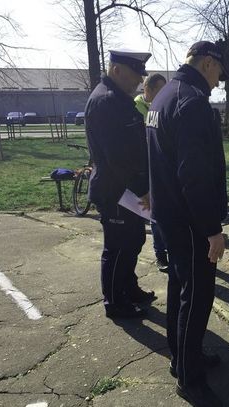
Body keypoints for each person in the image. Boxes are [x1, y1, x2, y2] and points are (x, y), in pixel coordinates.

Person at [146, 40, 228, 407]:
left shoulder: (164, 96)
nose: (218, 81)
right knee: (196, 297)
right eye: (218, 73)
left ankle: (181, 358)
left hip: (168, 214)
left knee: (180, 287)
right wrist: (212, 229)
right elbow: (193, 175)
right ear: (208, 64)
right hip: (190, 220)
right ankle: (189, 379)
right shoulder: (192, 101)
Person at [84, 49, 156, 319]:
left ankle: (128, 287)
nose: (139, 80)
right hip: (115, 190)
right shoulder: (106, 101)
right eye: (135, 74)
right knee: (117, 248)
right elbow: (118, 157)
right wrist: (143, 189)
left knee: (133, 240)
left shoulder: (117, 99)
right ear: (117, 70)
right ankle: (114, 302)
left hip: (125, 190)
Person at [134, 73, 170, 271]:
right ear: (148, 90)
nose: (163, 94)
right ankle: (160, 254)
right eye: (159, 90)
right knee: (154, 214)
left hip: (163, 168)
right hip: (147, 169)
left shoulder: (164, 106)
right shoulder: (137, 108)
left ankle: (170, 249)